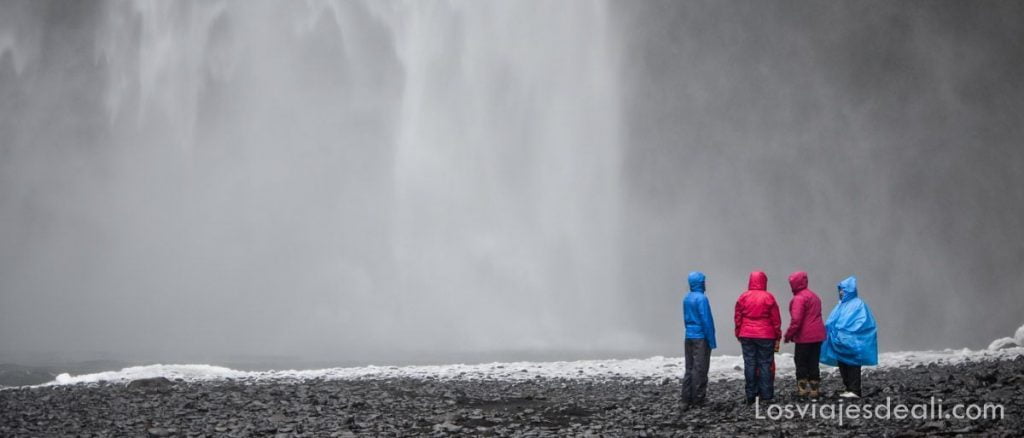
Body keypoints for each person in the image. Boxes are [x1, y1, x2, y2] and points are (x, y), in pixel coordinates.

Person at [820, 275, 878, 398]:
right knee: (843, 365)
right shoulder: (841, 305)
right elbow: (832, 321)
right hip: (840, 342)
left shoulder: (858, 304)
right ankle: (848, 388)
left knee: (853, 365)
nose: (841, 292)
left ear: (849, 290)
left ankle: (855, 390)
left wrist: (845, 332)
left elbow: (863, 322)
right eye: (840, 289)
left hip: (852, 342)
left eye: (843, 289)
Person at [734, 271, 781, 405]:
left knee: (749, 363)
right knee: (765, 363)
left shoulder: (743, 297)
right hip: (766, 335)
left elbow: (738, 318)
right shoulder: (769, 297)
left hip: (746, 334)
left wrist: (738, 332)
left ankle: (751, 395)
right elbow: (775, 319)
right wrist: (777, 335)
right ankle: (766, 395)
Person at [783, 271, 826, 399]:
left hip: (804, 337)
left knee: (801, 362)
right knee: (813, 362)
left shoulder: (799, 299)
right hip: (817, 335)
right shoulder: (815, 297)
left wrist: (789, 335)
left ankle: (802, 389)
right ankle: (814, 389)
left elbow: (796, 320)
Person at [681, 271, 717, 408]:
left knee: (689, 367)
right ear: (701, 283)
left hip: (689, 336)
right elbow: (706, 321)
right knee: (700, 368)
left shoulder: (687, 298)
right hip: (700, 337)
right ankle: (698, 399)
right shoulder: (701, 299)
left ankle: (686, 398)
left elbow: (686, 319)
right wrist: (711, 341)